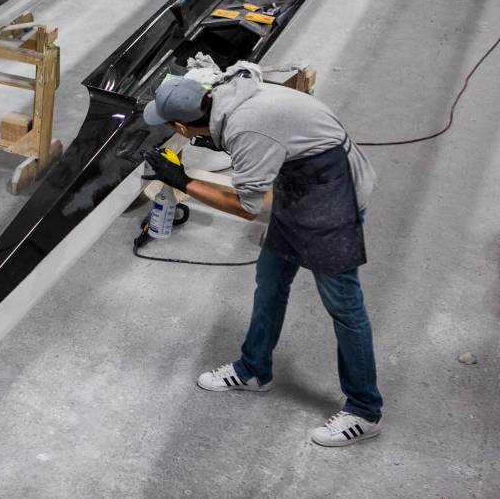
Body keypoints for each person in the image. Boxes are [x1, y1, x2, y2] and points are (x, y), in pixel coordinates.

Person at [141, 61, 383, 447]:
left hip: (332, 194)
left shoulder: (245, 129)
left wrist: (181, 180)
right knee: (270, 281)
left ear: (183, 128)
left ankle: (364, 410)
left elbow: (248, 207)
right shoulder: (227, 93)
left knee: (345, 306)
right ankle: (254, 369)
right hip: (299, 181)